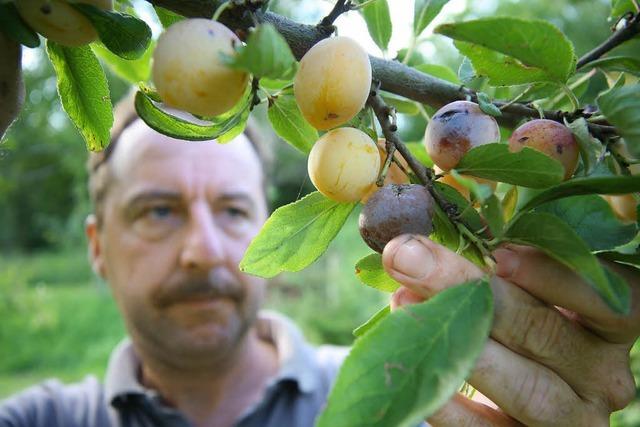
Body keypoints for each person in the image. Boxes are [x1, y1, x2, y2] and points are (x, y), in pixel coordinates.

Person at [1, 94, 638, 427]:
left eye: (231, 210)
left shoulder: (402, 399)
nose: (202, 252)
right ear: (95, 246)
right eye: (157, 211)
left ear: (266, 219)